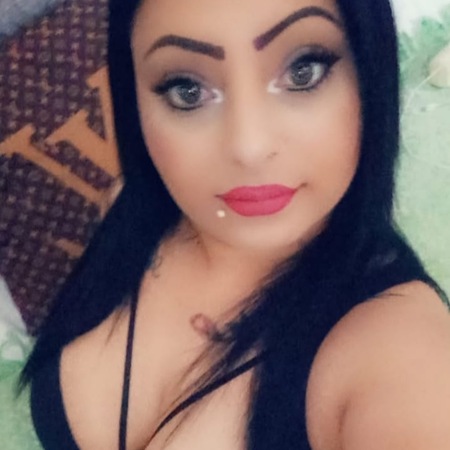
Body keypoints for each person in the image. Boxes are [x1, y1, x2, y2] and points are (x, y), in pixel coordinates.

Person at [21, 0, 450, 448]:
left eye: (303, 71)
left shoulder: (397, 349)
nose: (249, 147)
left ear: (370, 67)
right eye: (187, 90)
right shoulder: (128, 207)